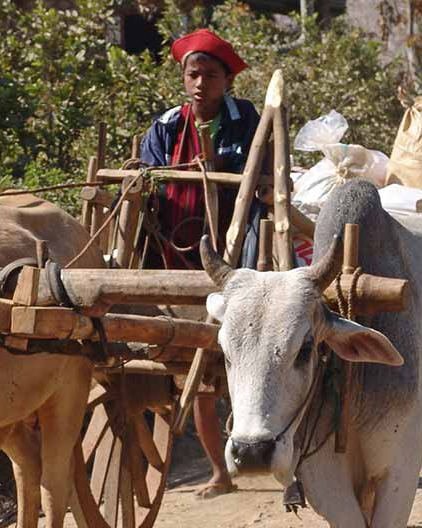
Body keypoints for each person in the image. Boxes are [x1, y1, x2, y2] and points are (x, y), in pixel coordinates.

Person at [139, 29, 265, 498]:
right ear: (183, 77)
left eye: (210, 76)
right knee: (198, 368)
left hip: (238, 251)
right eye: (193, 74)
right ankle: (219, 471)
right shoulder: (167, 125)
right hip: (174, 250)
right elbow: (149, 179)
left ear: (226, 81)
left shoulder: (247, 119)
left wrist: (221, 171)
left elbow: (261, 173)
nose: (200, 84)